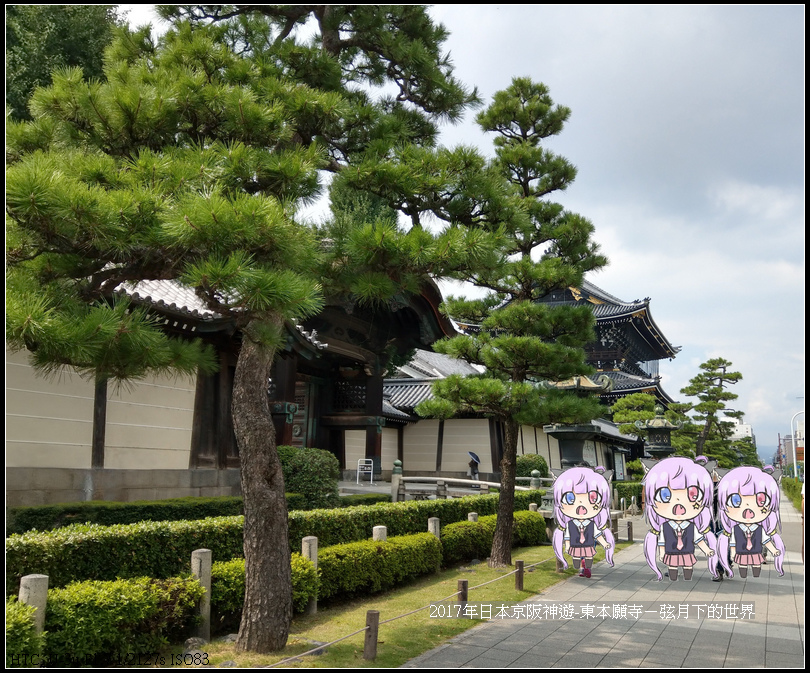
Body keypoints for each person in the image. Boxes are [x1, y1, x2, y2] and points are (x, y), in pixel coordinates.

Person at [642, 456, 719, 581]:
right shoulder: (666, 525)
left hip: (707, 523)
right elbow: (662, 541)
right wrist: (662, 553)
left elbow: (698, 538)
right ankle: (673, 570)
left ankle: (718, 568)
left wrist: (706, 549)